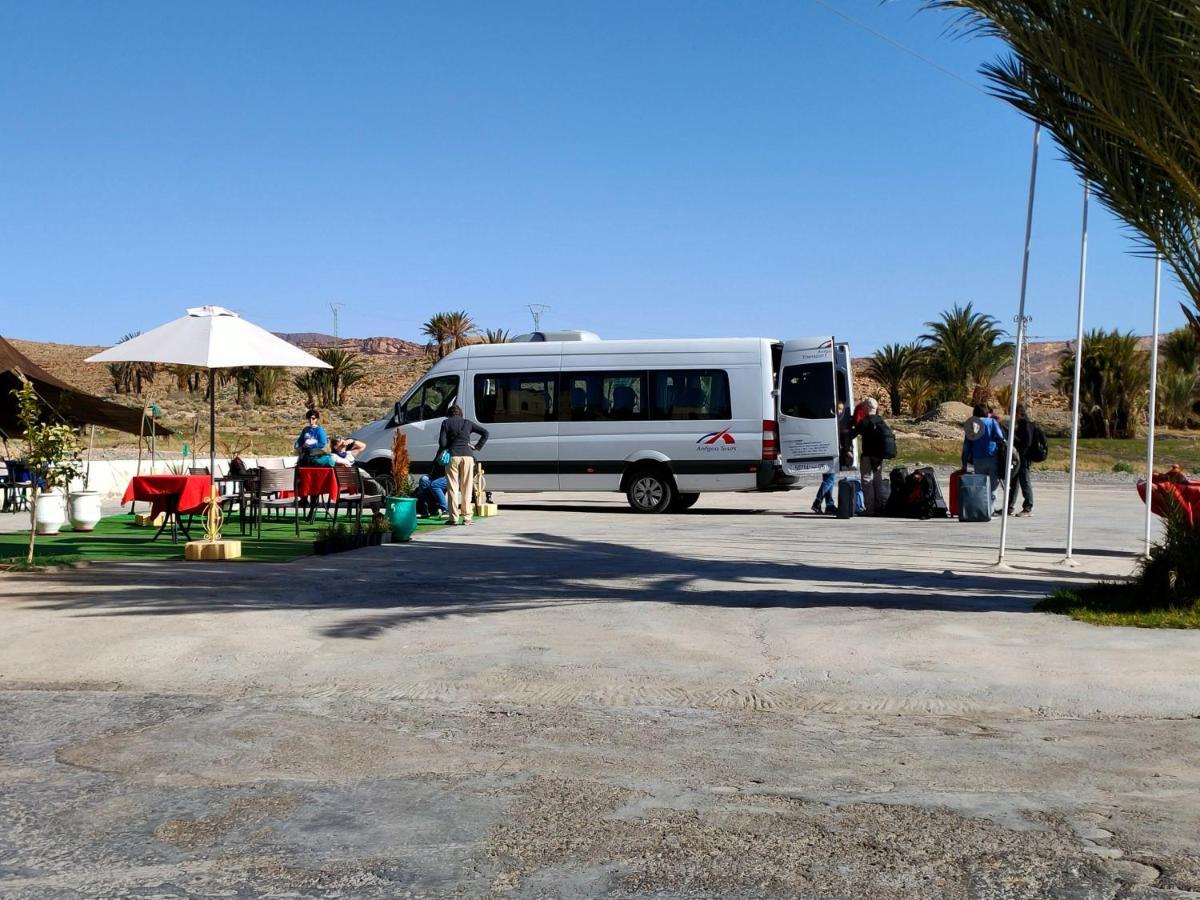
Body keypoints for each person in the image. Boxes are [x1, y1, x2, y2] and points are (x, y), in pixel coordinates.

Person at [438, 404, 489, 525]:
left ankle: (454, 518)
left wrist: (449, 446)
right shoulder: (468, 423)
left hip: (453, 457)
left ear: (449, 413)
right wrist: (477, 447)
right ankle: (467, 518)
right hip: (467, 456)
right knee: (466, 487)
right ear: (460, 413)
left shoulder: (446, 423)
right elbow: (485, 433)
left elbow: (442, 442)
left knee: (452, 487)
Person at [962, 402, 1007, 514]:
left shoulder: (971, 424)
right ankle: (990, 510)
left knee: (981, 486)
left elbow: (967, 446)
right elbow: (1000, 437)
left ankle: (981, 509)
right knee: (993, 486)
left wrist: (964, 462)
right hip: (992, 457)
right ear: (986, 412)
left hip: (978, 459)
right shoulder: (992, 422)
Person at [812, 401, 852, 514]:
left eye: (841, 409)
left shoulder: (828, 421)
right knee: (830, 479)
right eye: (838, 409)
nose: (840, 411)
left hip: (826, 451)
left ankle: (829, 504)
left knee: (828, 479)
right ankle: (817, 501)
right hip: (831, 453)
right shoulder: (836, 422)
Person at [851, 397, 888, 508]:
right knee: (878, 480)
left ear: (867, 408)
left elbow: (852, 434)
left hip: (867, 455)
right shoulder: (881, 420)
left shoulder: (865, 421)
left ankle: (870, 507)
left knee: (867, 480)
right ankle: (880, 506)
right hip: (879, 455)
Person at [1007, 403, 1035, 517]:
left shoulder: (1025, 424)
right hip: (1018, 458)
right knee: (1014, 482)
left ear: (1018, 413)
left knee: (1025, 482)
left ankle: (1028, 507)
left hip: (1024, 457)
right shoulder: (1020, 424)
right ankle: (1009, 506)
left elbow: (1026, 442)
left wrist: (1013, 437)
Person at [415, 452, 450, 519]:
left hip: (448, 477)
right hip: (436, 476)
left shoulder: (452, 449)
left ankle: (445, 510)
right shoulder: (441, 451)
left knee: (435, 484)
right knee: (424, 480)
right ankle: (424, 510)